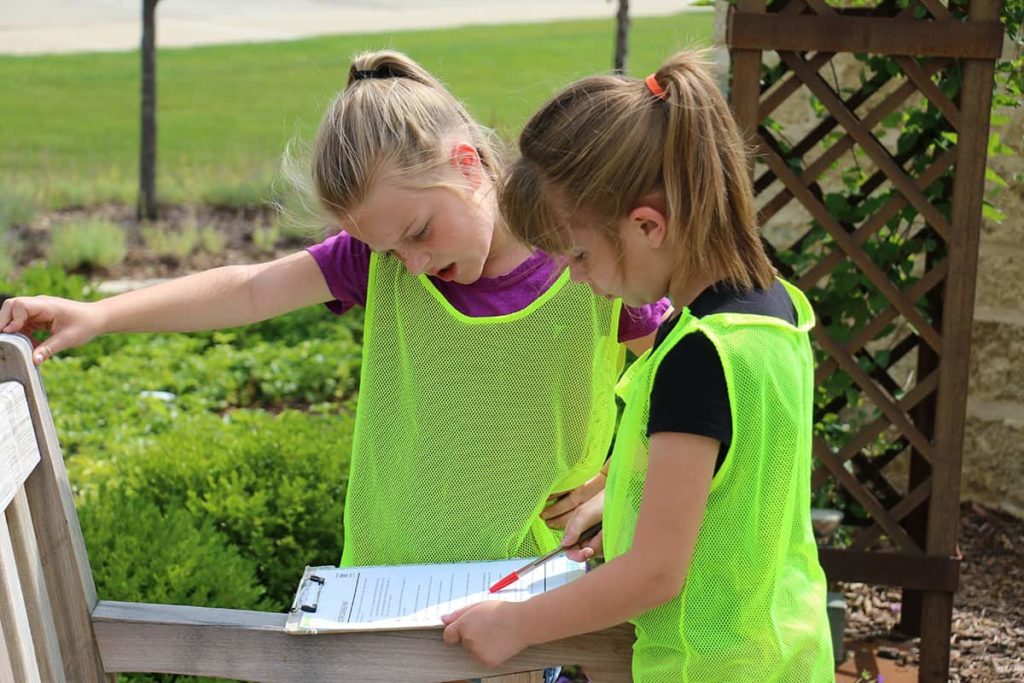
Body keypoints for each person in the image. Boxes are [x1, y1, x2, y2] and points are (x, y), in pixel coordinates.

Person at [0, 51, 666, 574]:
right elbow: (250, 288)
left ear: (467, 165)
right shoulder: (376, 264)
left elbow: (690, 369)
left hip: (536, 586)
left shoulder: (588, 263)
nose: (409, 263)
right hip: (388, 588)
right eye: (387, 248)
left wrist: (626, 482)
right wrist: (101, 313)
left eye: (419, 231)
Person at [441, 51, 835, 682]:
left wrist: (515, 623)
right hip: (785, 651)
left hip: (706, 668)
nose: (576, 277)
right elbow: (731, 489)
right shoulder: (772, 312)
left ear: (647, 224)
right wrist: (618, 506)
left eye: (579, 254)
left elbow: (656, 573)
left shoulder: (697, 359)